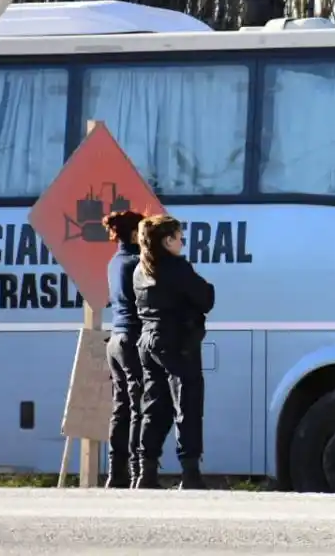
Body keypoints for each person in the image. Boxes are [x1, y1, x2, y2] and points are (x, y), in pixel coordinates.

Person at [133, 214, 216, 490]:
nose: (182, 242)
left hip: (148, 342)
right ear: (167, 240)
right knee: (188, 406)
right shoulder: (177, 268)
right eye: (180, 237)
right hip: (177, 344)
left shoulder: (140, 270)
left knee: (154, 407)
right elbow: (206, 297)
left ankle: (146, 472)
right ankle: (190, 474)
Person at [102, 209, 146, 489]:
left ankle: (114, 473)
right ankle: (135, 473)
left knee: (121, 408)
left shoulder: (115, 262)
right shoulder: (136, 263)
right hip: (132, 340)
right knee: (139, 408)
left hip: (115, 340)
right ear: (134, 234)